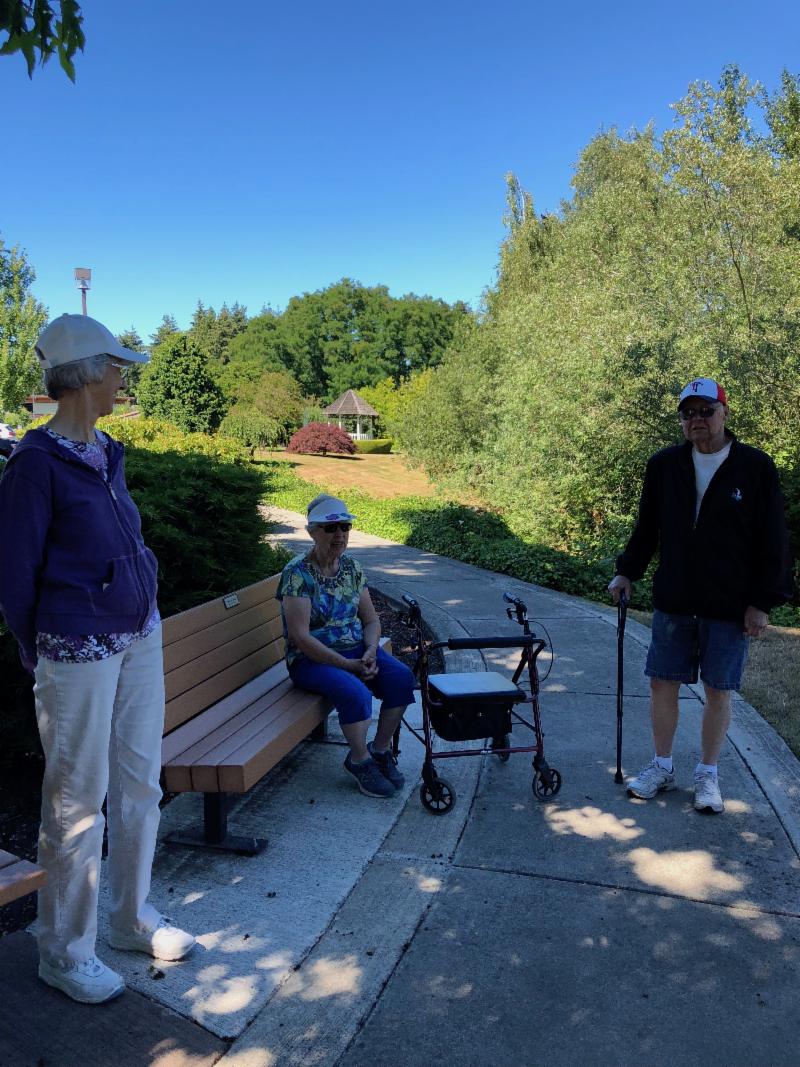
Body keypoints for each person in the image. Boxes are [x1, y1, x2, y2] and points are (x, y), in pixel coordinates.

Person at [0, 314, 195, 1005]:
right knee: (77, 803)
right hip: (77, 648)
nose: (122, 378)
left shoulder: (107, 452)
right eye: (115, 367)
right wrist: (44, 648)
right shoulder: (34, 465)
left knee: (139, 784)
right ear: (84, 376)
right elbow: (14, 577)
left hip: (139, 634)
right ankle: (64, 951)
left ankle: (130, 919)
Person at [608, 377, 792, 814]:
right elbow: (647, 528)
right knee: (662, 683)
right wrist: (626, 571)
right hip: (675, 597)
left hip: (729, 603)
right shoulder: (664, 465)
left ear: (724, 413)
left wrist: (763, 601)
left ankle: (708, 774)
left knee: (718, 689)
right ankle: (662, 766)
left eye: (706, 410)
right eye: (688, 413)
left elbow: (774, 539)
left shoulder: (755, 466)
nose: (697, 420)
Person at [277, 494, 415, 798]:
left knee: (401, 678)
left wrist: (370, 651)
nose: (339, 534)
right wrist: (348, 666)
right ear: (312, 532)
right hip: (310, 661)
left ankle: (380, 751)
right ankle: (359, 761)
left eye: (345, 526)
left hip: (354, 651)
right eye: (331, 528)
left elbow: (371, 620)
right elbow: (301, 637)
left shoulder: (351, 568)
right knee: (356, 692)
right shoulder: (297, 574)